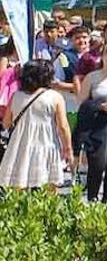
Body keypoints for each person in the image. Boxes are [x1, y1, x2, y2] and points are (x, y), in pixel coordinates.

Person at [0, 60, 72, 189]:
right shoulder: (55, 97)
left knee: (18, 185)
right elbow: (63, 126)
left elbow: (6, 123)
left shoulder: (16, 96)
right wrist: (68, 148)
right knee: (49, 188)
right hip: (46, 144)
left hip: (20, 145)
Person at [76, 41, 107, 201]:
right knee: (98, 162)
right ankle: (92, 197)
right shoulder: (92, 76)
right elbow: (82, 102)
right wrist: (99, 106)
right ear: (102, 56)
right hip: (97, 123)